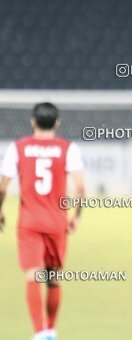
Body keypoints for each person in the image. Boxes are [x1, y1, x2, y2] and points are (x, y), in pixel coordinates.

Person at [0, 102, 85, 340]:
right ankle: (51, 329)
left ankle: (39, 332)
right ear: (57, 122)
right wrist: (76, 217)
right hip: (57, 223)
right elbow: (80, 188)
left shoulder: (18, 148)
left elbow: (3, 187)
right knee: (54, 277)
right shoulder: (68, 149)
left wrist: (0, 211)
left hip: (29, 223)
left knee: (33, 275)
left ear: (32, 121)